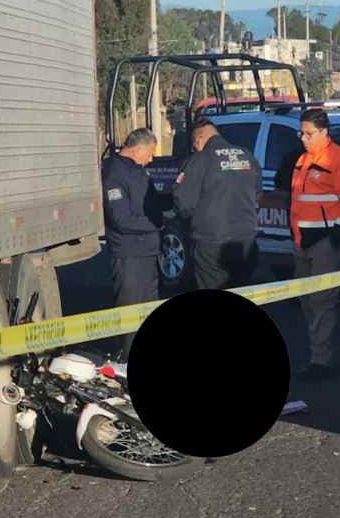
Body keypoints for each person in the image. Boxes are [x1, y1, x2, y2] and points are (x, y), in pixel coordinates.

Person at [290, 108, 340, 380]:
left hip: (324, 242)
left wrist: (337, 235)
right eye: (302, 133)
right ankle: (317, 354)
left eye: (309, 134)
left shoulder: (338, 159)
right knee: (306, 300)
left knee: (322, 301)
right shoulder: (303, 160)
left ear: (323, 132)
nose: (303, 138)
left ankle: (321, 360)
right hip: (302, 241)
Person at [172, 117, 262, 290]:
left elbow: (183, 202)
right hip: (245, 239)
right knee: (243, 291)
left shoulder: (199, 160)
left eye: (194, 146)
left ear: (198, 140)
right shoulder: (247, 155)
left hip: (212, 243)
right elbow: (257, 194)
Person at [101, 127, 168, 357]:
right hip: (129, 252)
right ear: (137, 148)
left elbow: (151, 203)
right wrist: (156, 224)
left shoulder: (138, 170)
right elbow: (121, 218)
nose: (150, 159)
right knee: (131, 310)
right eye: (149, 153)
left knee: (149, 307)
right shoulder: (113, 172)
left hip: (148, 250)